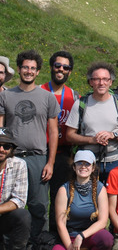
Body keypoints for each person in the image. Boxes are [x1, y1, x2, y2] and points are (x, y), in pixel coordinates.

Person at [0, 49, 59, 244]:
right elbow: (0, 129)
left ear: (38, 71)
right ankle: (10, 245)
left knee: (39, 204)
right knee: (8, 201)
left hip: (37, 157)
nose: (29, 71)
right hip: (12, 157)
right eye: (25, 67)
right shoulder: (6, 96)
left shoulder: (47, 97)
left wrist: (50, 162)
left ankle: (37, 246)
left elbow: (52, 131)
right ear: (18, 69)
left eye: (33, 68)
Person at [65, 62, 118, 183]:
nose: (101, 83)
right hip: (86, 162)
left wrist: (113, 135)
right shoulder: (80, 104)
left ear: (111, 82)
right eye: (97, 79)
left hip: (114, 162)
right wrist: (91, 140)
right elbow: (69, 135)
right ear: (90, 82)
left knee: (112, 200)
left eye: (105, 79)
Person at [49, 150, 114, 250]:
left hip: (89, 236)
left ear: (93, 167)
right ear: (74, 167)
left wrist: (81, 236)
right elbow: (60, 224)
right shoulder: (64, 190)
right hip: (68, 238)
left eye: (87, 164)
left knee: (107, 239)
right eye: (79, 163)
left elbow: (102, 221)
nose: (83, 167)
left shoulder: (100, 189)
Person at [41, 50, 79, 232]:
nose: (61, 69)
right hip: (41, 151)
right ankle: (35, 238)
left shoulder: (74, 96)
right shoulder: (39, 91)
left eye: (66, 67)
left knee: (59, 197)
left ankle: (55, 237)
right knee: (38, 198)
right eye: (58, 65)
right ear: (51, 67)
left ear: (70, 71)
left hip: (64, 154)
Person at [0, 128, 31, 250]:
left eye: (6, 146)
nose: (1, 149)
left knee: (23, 216)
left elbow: (19, 200)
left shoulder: (20, 165)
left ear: (11, 150)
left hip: (4, 215)